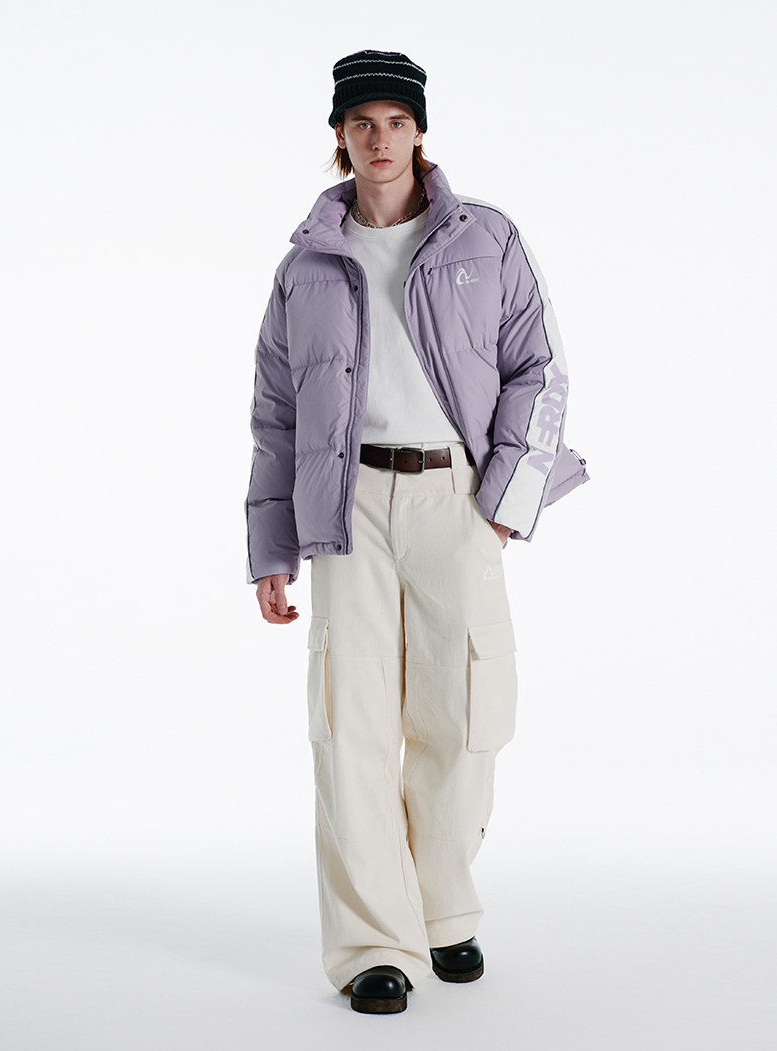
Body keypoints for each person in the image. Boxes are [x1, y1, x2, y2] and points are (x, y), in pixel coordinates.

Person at [244, 48, 590, 1014]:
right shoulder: (306, 267)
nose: (380, 138)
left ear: (420, 131)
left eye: (396, 121)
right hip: (345, 506)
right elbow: (276, 414)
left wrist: (505, 502)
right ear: (340, 136)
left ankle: (441, 909)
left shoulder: (489, 239)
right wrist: (272, 548)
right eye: (362, 123)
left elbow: (541, 368)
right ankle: (372, 941)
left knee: (464, 715)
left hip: (457, 498)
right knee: (350, 722)